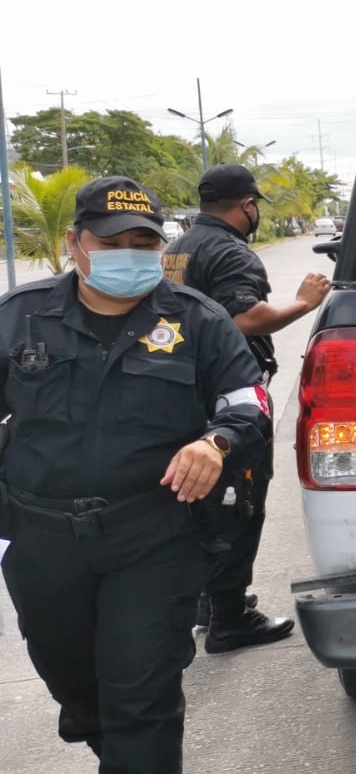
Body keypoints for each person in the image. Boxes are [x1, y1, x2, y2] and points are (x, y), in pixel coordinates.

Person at [0, 176, 271, 772]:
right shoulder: (19, 317)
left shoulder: (196, 320)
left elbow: (249, 399)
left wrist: (216, 441)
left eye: (144, 243)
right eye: (112, 241)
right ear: (75, 243)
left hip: (153, 538)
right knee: (77, 688)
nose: (130, 255)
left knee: (140, 696)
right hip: (43, 545)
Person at [162, 163, 330, 651]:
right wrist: (303, 303)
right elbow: (245, 318)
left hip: (182, 387)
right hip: (226, 394)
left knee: (201, 500)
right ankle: (230, 618)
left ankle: (206, 604)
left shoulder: (181, 246)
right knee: (240, 500)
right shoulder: (230, 251)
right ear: (247, 206)